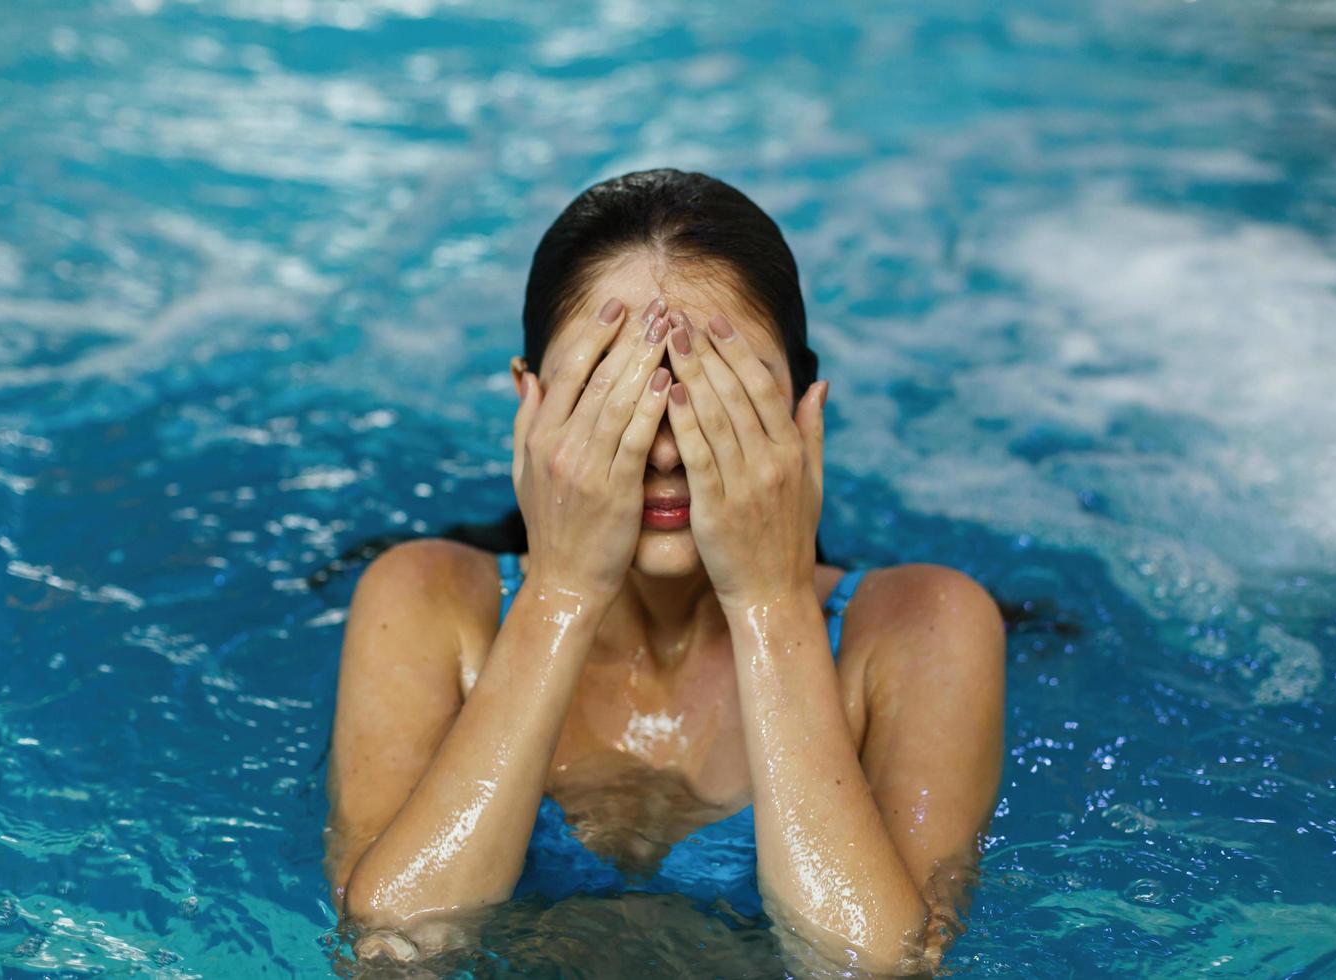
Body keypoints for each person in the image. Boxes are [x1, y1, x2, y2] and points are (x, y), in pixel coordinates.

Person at [321, 169, 1005, 975]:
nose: (667, 443)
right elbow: (395, 949)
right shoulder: (427, 602)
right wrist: (562, 595)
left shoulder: (923, 626)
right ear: (529, 405)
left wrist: (773, 603)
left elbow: (879, 966)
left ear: (801, 408)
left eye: (719, 389)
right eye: (612, 386)